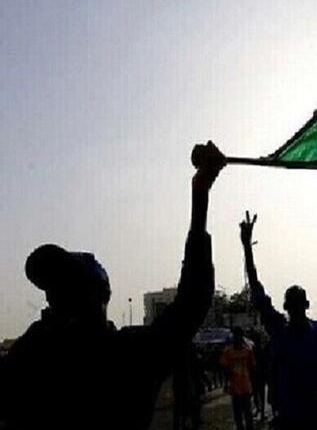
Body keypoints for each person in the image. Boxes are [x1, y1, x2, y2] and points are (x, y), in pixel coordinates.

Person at [0, 142, 224, 430]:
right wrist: (200, 193)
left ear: (101, 296)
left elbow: (192, 301)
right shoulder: (34, 356)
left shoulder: (127, 355)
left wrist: (200, 194)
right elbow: (192, 302)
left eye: (73, 288)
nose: (61, 299)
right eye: (55, 291)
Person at [240, 211, 317, 430]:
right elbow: (256, 289)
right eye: (292, 305)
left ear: (306, 305)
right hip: (287, 419)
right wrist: (247, 248)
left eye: (299, 304)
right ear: (286, 307)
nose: (296, 309)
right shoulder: (279, 330)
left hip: (316, 418)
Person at [220, 327, 256, 430]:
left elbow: (252, 368)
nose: (237, 338)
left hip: (245, 386)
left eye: (239, 336)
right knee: (238, 413)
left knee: (247, 412)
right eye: (236, 336)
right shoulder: (228, 352)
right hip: (235, 387)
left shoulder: (248, 351)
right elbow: (225, 369)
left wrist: (253, 384)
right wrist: (226, 384)